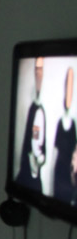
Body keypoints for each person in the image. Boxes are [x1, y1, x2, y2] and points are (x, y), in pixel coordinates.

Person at [17, 57, 47, 193]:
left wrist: (41, 156)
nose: (38, 75)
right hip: (28, 173)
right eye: (36, 71)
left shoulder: (41, 111)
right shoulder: (33, 109)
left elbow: (39, 144)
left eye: (41, 71)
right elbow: (32, 142)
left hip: (34, 174)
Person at [53, 66, 76, 204]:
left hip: (69, 174)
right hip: (59, 172)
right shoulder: (59, 123)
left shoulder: (73, 124)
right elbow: (56, 150)